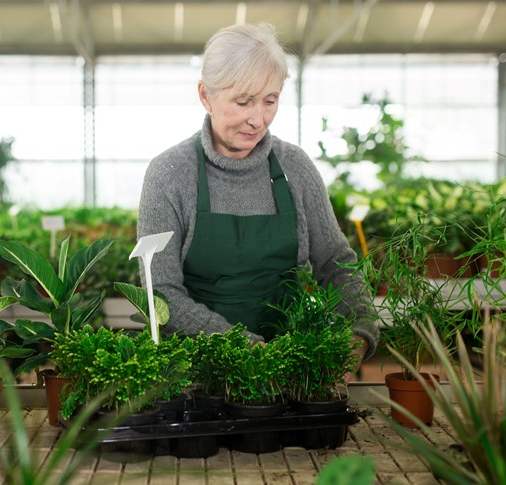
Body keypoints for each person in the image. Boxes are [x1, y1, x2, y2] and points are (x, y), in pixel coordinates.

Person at [137, 23, 378, 371]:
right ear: (206, 96)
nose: (257, 119)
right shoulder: (169, 174)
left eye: (270, 101)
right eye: (243, 101)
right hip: (195, 371)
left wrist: (359, 330)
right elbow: (160, 292)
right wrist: (242, 348)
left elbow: (335, 263)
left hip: (290, 366)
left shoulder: (295, 167)